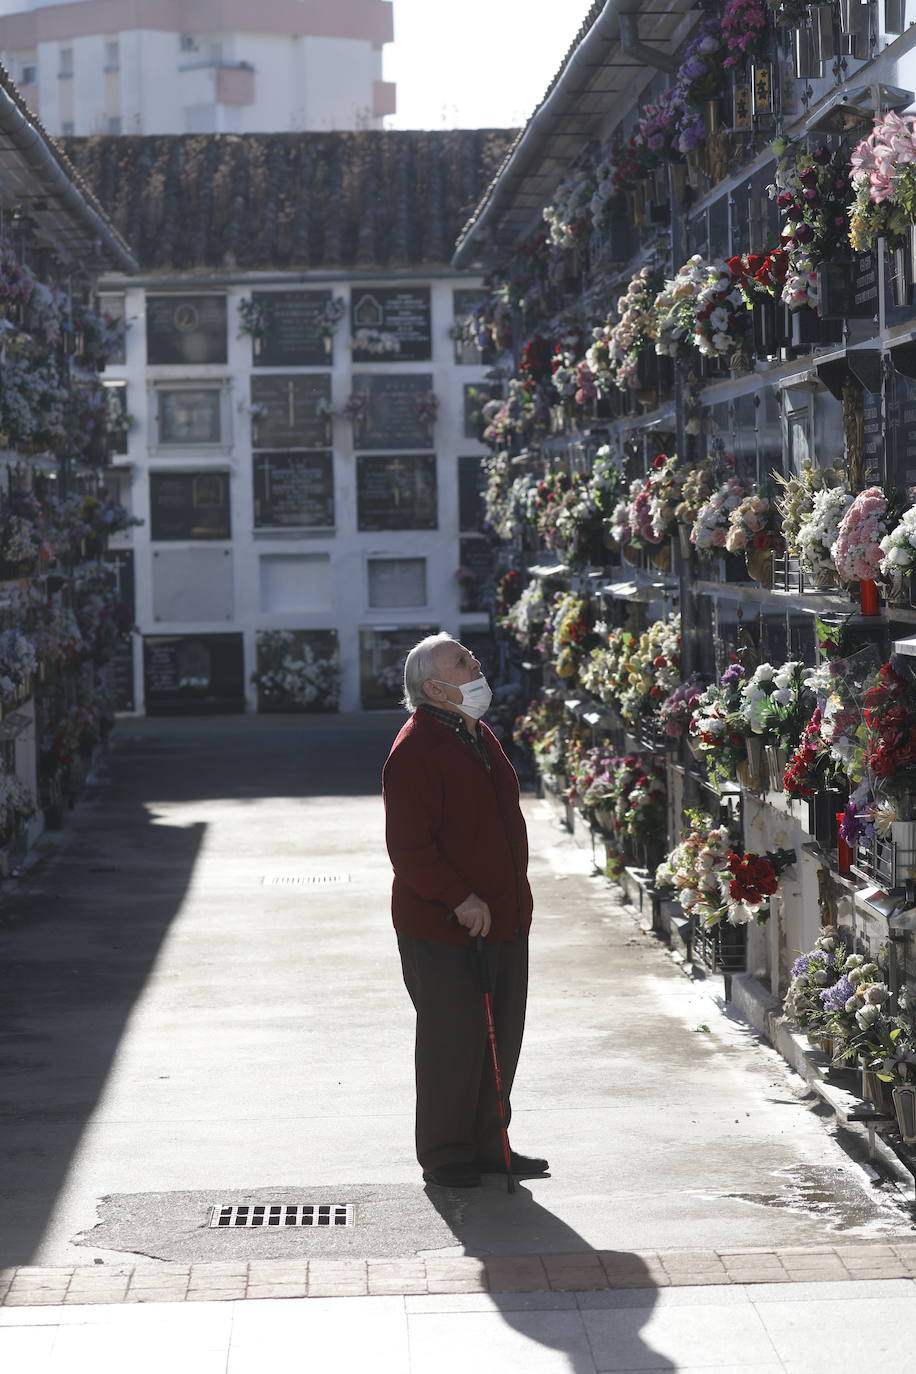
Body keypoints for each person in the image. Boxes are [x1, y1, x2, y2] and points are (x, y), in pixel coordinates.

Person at [382, 631, 547, 1188]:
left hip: (502, 915)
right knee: (454, 1040)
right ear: (435, 687)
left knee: (501, 1031)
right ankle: (447, 1153)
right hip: (446, 925)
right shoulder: (416, 748)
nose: (476, 664)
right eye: (462, 661)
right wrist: (459, 897)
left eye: (471, 655)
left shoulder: (478, 736)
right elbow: (409, 848)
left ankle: (489, 1144)